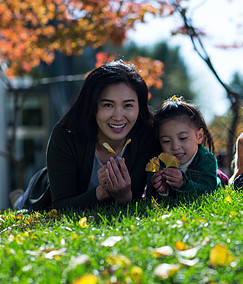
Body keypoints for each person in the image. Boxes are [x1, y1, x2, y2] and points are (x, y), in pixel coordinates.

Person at [11, 61, 158, 209]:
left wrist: (124, 195)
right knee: (22, 205)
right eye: (108, 105)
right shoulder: (67, 132)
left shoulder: (145, 135)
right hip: (43, 192)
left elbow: (135, 199)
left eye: (128, 105)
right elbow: (60, 206)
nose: (118, 117)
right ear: (92, 106)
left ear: (139, 107)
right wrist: (102, 192)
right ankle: (18, 198)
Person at [146, 96, 221, 197]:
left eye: (183, 138)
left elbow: (209, 191)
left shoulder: (206, 160)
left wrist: (183, 184)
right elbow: (149, 197)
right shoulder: (158, 163)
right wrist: (161, 191)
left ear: (199, 136)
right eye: (166, 141)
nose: (175, 147)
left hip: (210, 178)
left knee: (219, 179)